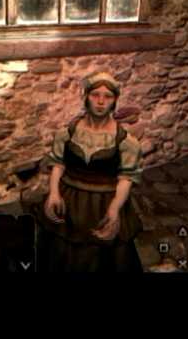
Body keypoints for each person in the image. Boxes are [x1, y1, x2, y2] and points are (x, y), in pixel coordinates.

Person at [35, 71, 144, 272]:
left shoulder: (126, 141)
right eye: (95, 95)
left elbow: (126, 178)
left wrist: (114, 209)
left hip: (104, 202)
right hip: (69, 201)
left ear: (114, 101)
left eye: (108, 96)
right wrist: (54, 193)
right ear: (86, 96)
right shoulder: (68, 132)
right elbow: (58, 163)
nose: (101, 102)